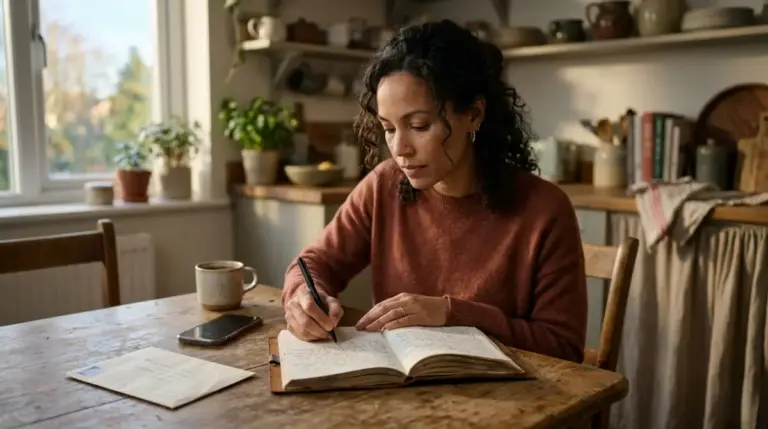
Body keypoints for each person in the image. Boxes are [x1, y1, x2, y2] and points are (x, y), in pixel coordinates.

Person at [281, 19, 587, 363]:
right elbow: (313, 263)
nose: (400, 148)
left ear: (474, 114)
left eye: (418, 126)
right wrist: (304, 296)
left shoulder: (544, 210)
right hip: (405, 399)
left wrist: (449, 314)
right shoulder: (385, 184)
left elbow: (563, 349)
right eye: (388, 129)